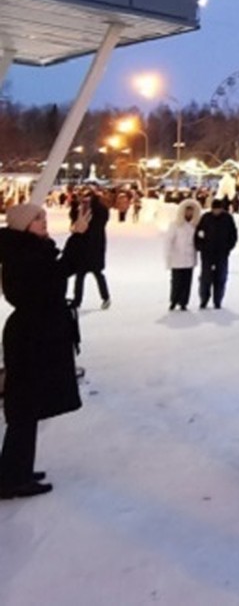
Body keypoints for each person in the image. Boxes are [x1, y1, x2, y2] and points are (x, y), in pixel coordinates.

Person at [0, 203, 87, 498]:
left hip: (37, 331)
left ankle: (16, 469)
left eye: (44, 217)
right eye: (38, 218)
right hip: (31, 336)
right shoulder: (24, 253)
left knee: (29, 406)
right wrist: (77, 237)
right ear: (24, 225)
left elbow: (62, 270)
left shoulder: (29, 248)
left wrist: (78, 238)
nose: (44, 222)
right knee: (24, 407)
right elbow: (56, 274)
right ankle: (12, 478)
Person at [68, 189, 110, 310]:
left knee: (84, 275)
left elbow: (76, 220)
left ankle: (78, 300)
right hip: (93, 245)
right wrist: (75, 205)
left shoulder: (93, 210)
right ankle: (104, 297)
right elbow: (74, 218)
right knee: (92, 274)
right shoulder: (89, 209)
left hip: (89, 244)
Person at [195, 197, 238, 309]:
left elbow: (233, 234)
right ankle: (204, 299)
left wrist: (228, 247)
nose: (216, 212)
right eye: (214, 209)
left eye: (218, 209)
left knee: (221, 278)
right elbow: (198, 233)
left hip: (222, 253)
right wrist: (200, 246)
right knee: (205, 278)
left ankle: (217, 300)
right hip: (207, 253)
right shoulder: (206, 218)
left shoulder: (227, 219)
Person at [164, 198, 201, 311]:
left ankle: (184, 302)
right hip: (177, 258)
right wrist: (169, 256)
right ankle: (174, 300)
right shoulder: (175, 225)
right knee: (176, 281)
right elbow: (169, 241)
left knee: (187, 281)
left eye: (191, 211)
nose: (189, 213)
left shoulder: (196, 225)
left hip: (190, 258)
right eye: (187, 210)